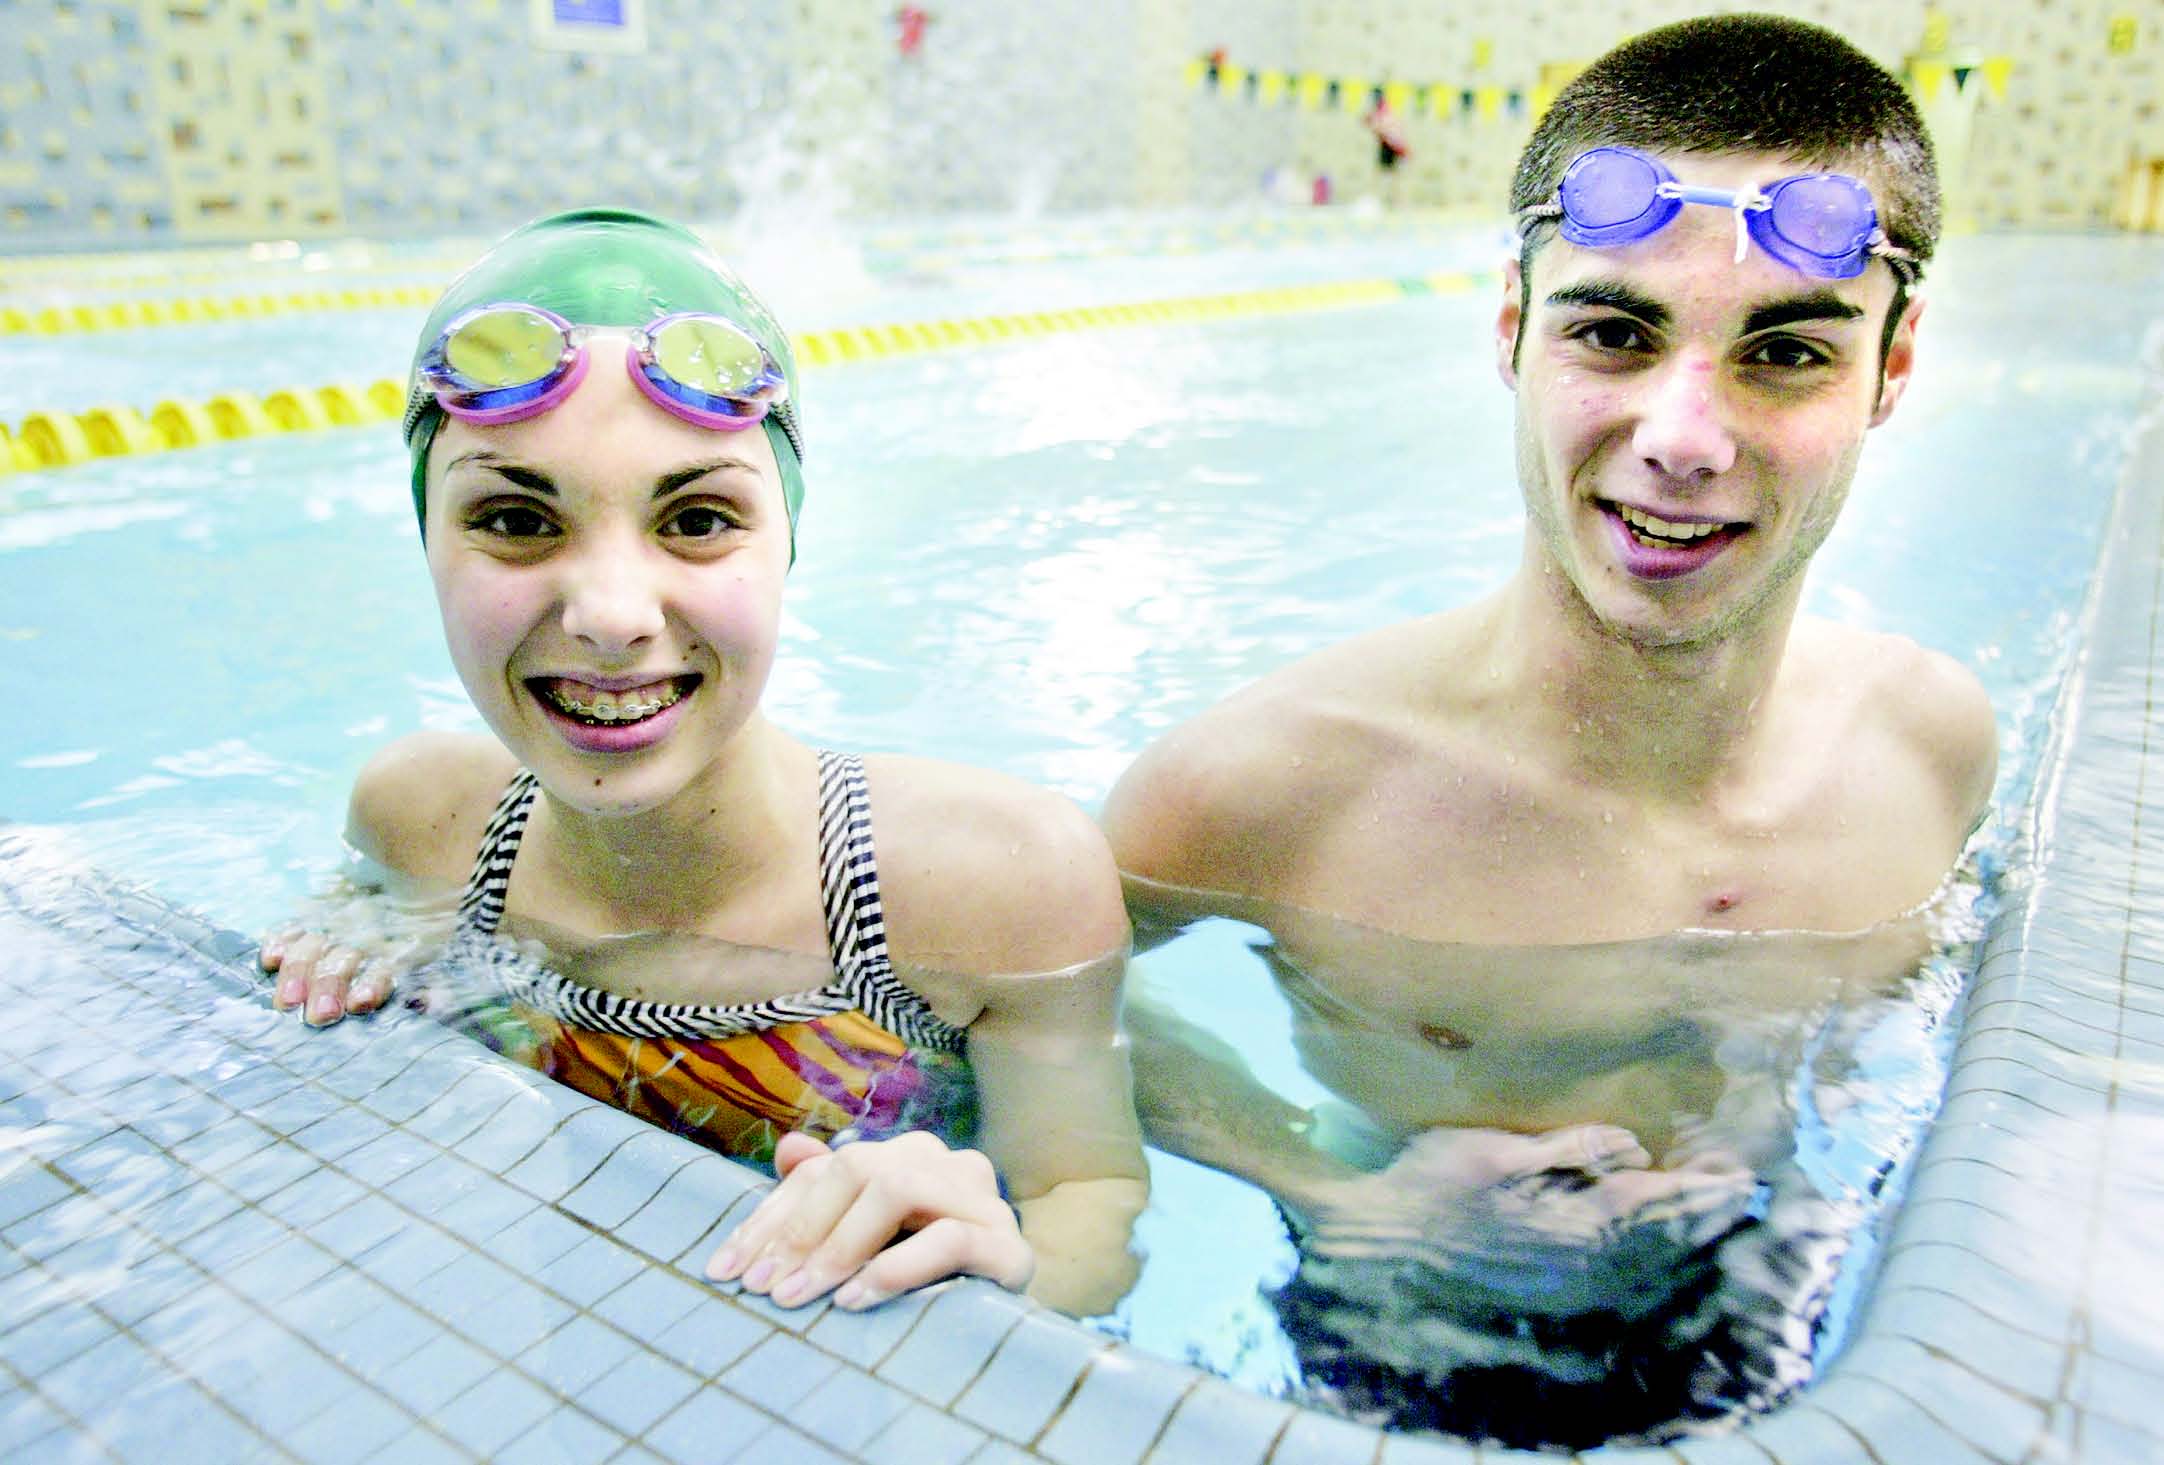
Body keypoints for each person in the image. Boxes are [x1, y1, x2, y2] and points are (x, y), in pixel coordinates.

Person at [1102, 13, 1994, 1445]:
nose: (1684, 436)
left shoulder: (1933, 747)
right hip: (1393, 1337)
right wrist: (1340, 1199)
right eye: (1615, 331)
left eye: (1788, 352)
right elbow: (1006, 994)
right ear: (1514, 333)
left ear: (1890, 372)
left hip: (1785, 1320)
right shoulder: (1267, 788)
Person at [260, 208, 1146, 1318]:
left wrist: (1003, 1254)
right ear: (428, 542)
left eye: (698, 517)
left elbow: (1091, 1202)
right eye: (513, 519)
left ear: (786, 541)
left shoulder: (996, 878)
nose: (611, 616)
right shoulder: (416, 827)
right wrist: (352, 931)